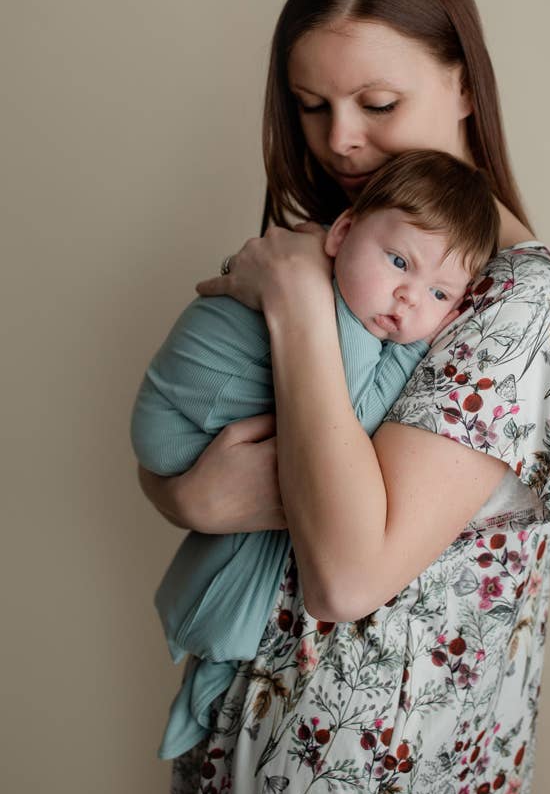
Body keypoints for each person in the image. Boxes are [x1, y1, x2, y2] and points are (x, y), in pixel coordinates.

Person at [139, 0, 550, 794]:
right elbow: (217, 448)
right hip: (244, 769)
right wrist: (178, 490)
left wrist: (295, 299)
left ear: (464, 82)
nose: (339, 136)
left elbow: (346, 569)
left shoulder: (510, 303)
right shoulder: (347, 255)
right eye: (312, 104)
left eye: (378, 103)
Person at [131, 150, 499, 761]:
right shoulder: (336, 315)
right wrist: (412, 345)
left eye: (437, 293)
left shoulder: (331, 295)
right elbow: (355, 423)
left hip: (192, 446)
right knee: (327, 476)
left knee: (297, 516)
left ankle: (211, 672)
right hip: (185, 422)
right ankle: (212, 667)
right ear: (344, 232)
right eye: (399, 261)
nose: (408, 298)